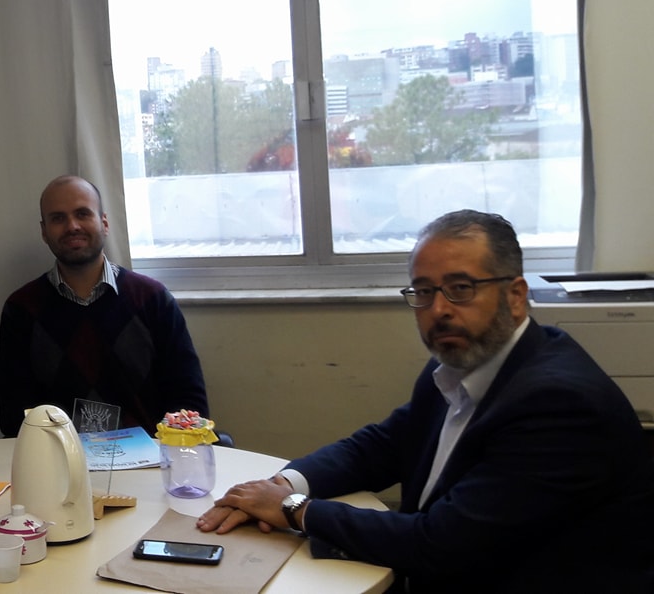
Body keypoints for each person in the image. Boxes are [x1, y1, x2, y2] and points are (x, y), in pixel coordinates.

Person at [197, 210, 654, 593]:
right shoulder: (460, 364)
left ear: (516, 296)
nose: (439, 310)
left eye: (461, 288)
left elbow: (441, 543)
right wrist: (282, 483)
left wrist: (294, 508)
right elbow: (382, 446)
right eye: (424, 291)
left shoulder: (559, 405)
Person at [0, 175, 209, 436]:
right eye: (58, 218)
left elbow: (189, 404)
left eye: (82, 214)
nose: (72, 226)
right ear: (44, 232)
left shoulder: (153, 300)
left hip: (150, 456)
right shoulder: (21, 310)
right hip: (59, 456)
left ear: (104, 223)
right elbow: (13, 415)